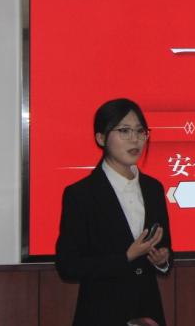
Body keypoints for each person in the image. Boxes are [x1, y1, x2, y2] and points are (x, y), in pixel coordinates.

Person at [56, 98, 172, 326]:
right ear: (101, 138)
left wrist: (162, 260)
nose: (135, 139)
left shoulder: (153, 188)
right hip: (101, 314)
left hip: (148, 312)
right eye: (124, 131)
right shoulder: (81, 194)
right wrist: (126, 257)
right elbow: (68, 266)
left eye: (140, 131)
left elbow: (165, 248)